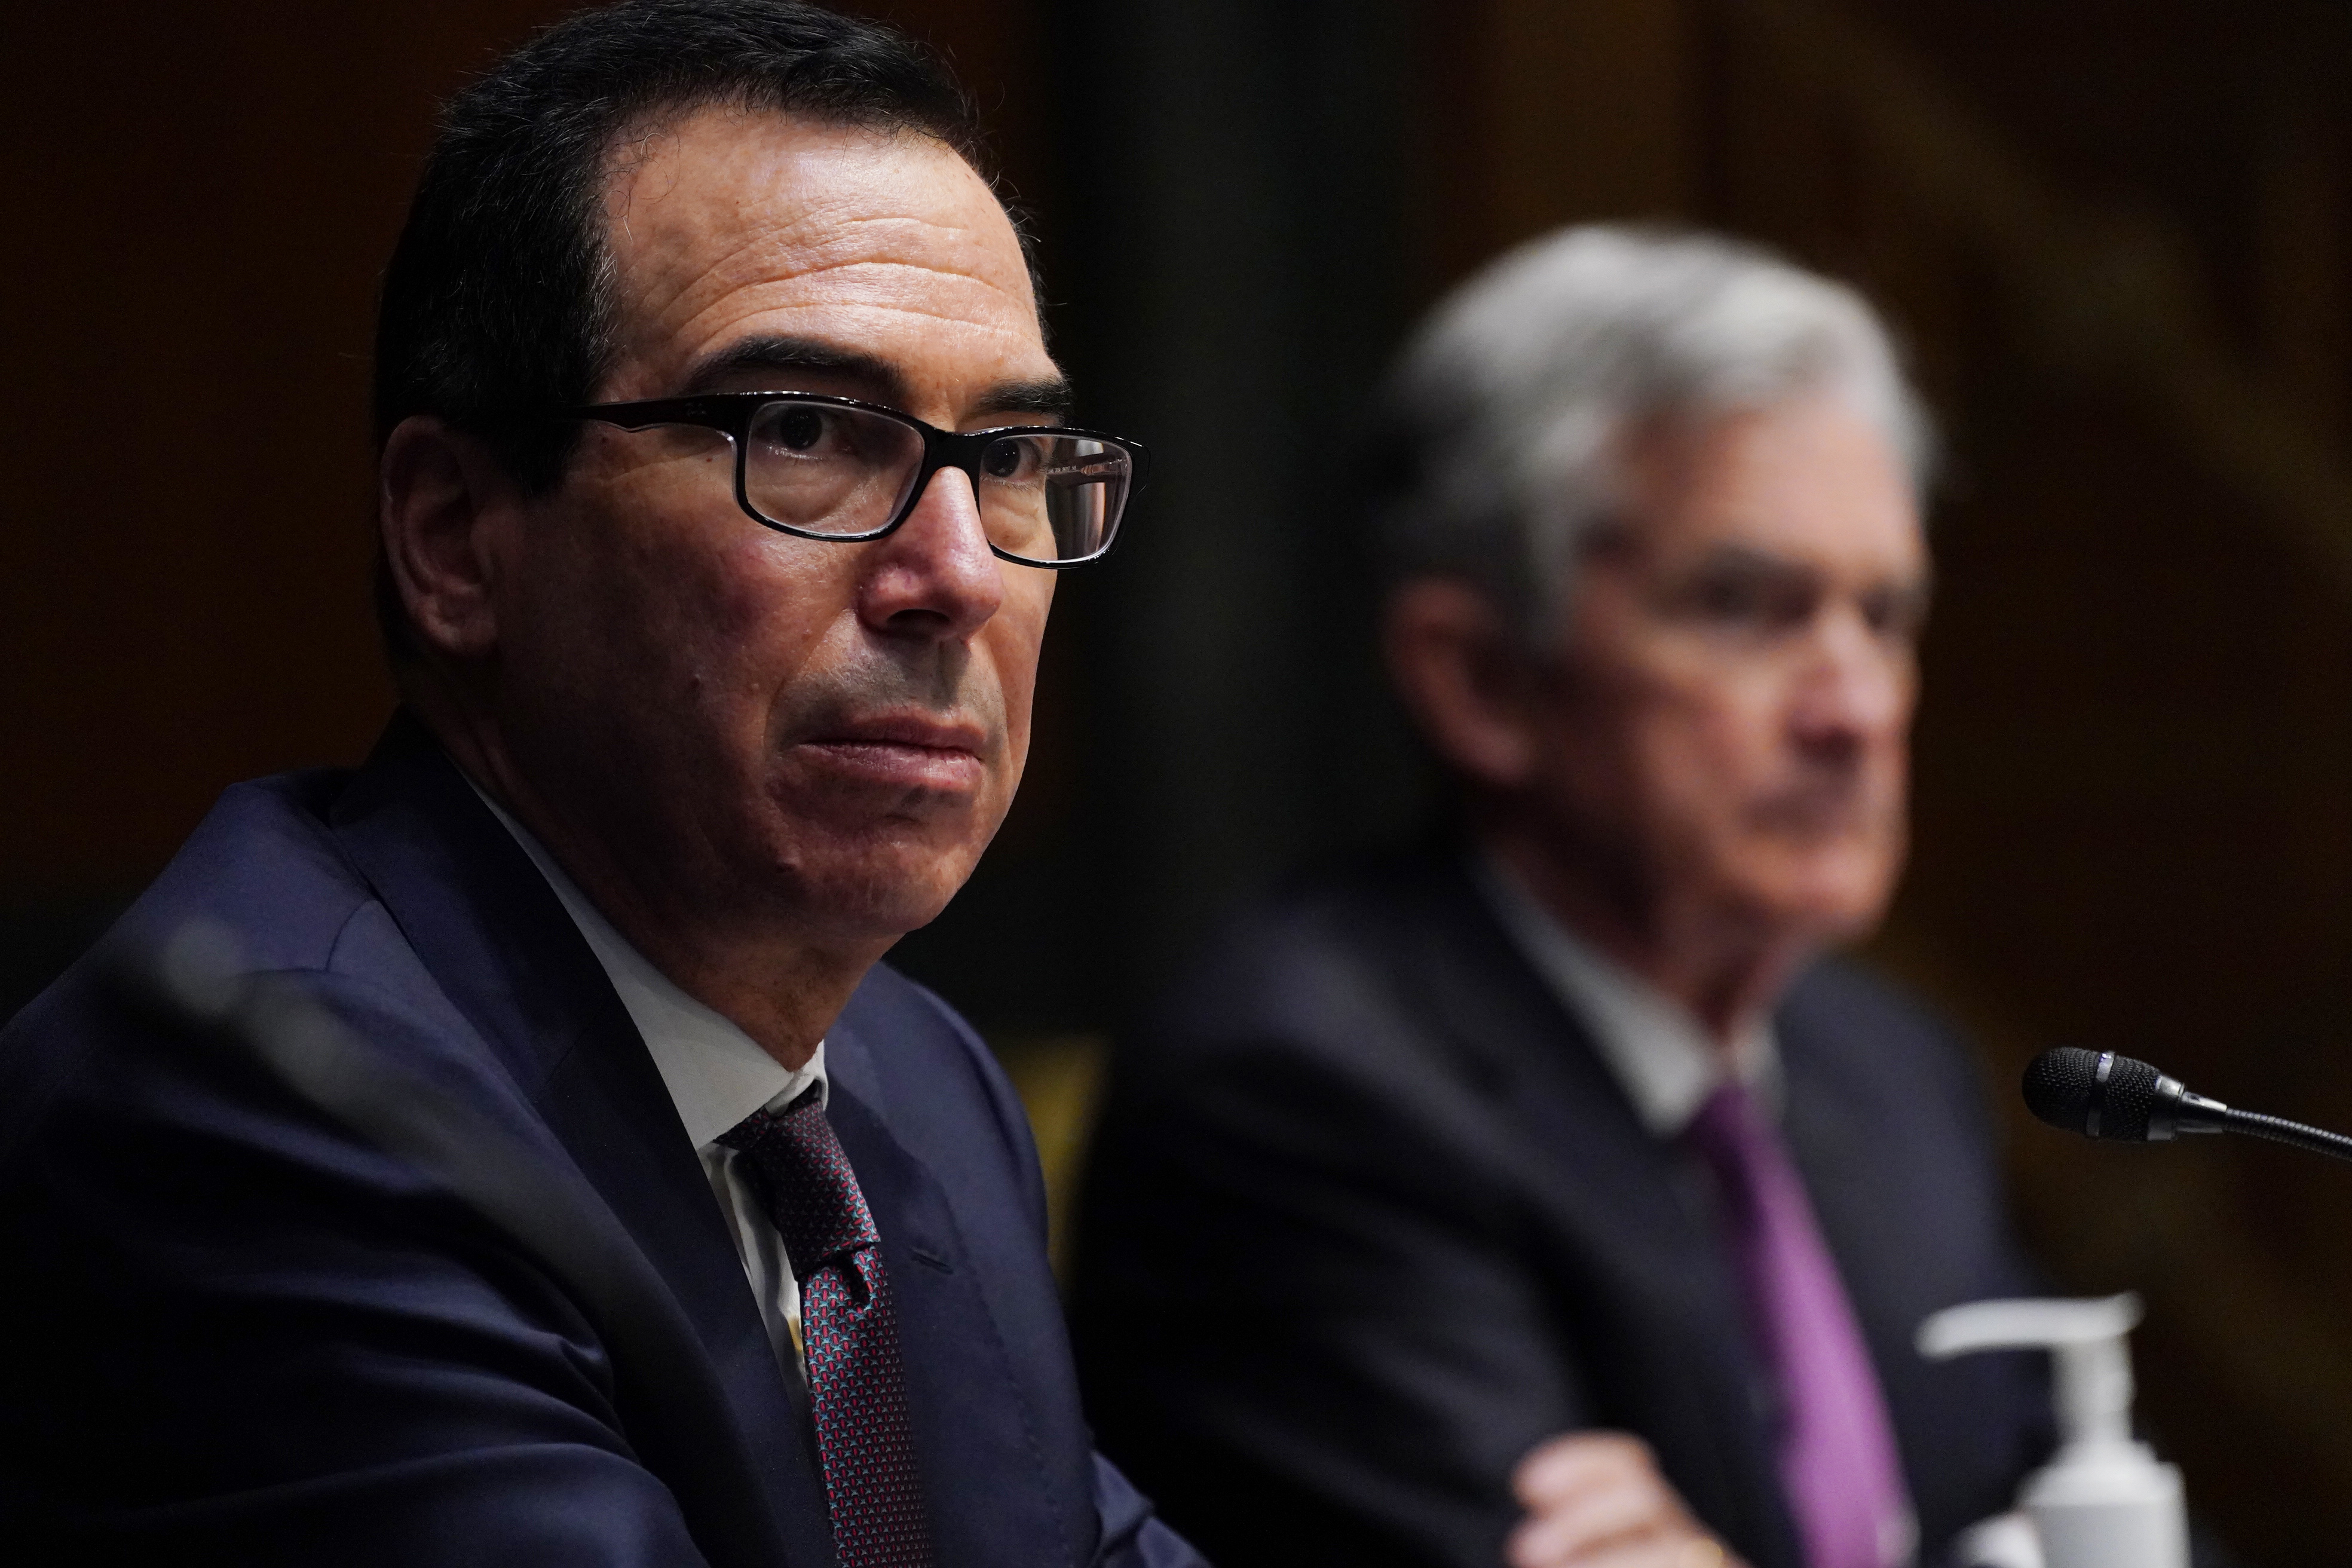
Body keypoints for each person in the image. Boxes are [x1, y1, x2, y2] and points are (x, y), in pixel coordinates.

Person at [0, 4, 1201, 1565]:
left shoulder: (909, 1083)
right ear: (452, 537)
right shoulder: (267, 1111)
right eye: (809, 432)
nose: (958, 573)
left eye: (1013, 459)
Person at [1072, 227, 2049, 1568]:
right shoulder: (1301, 1087)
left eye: (1883, 615)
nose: (1858, 707)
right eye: (1748, 607)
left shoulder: (1892, 1072)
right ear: (1479, 677)